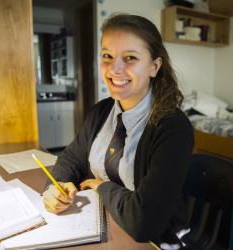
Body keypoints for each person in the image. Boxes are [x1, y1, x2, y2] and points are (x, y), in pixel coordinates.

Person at [42, 14, 194, 249]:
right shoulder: (101, 112)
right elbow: (71, 159)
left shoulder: (173, 128)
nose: (115, 68)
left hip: (156, 241)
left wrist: (100, 186)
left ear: (154, 66)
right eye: (107, 56)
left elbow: (145, 223)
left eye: (130, 58)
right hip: (104, 223)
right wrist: (55, 187)